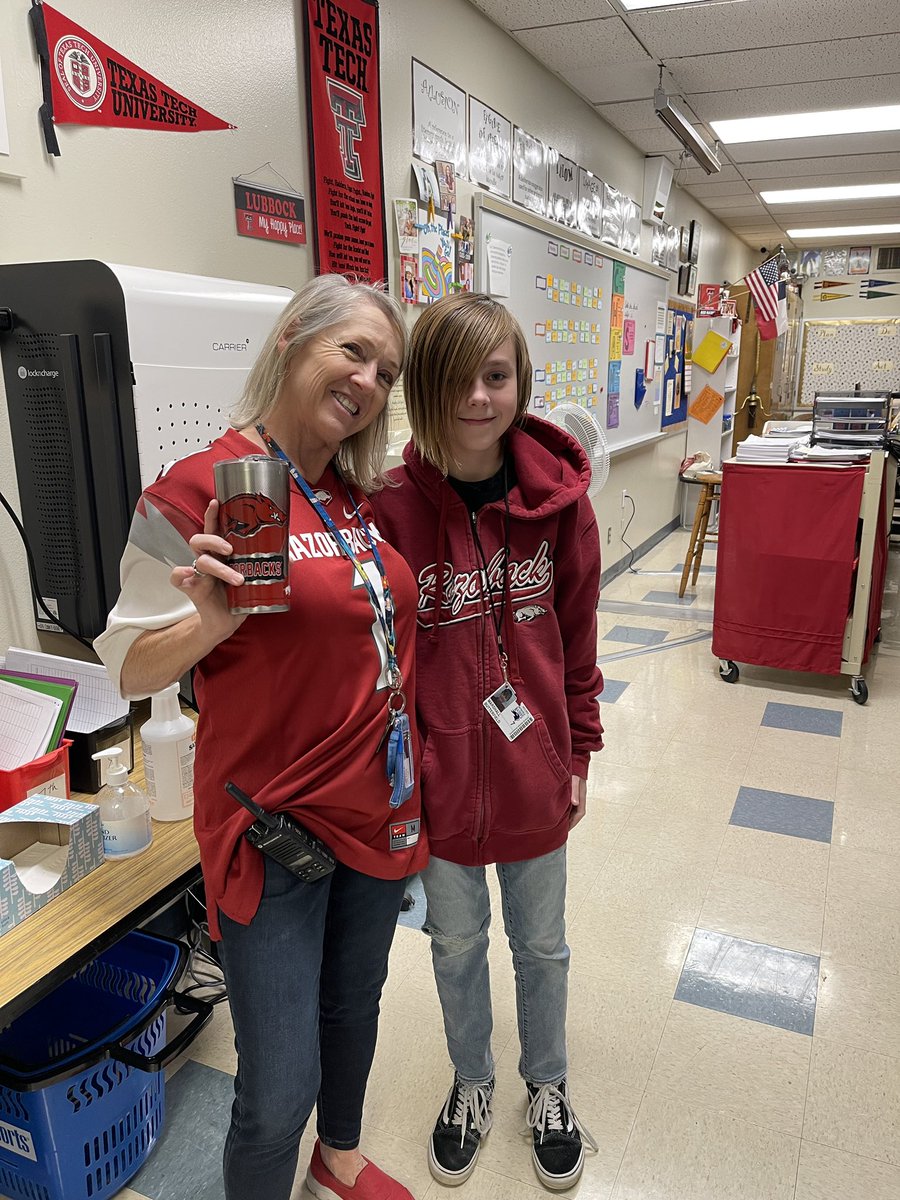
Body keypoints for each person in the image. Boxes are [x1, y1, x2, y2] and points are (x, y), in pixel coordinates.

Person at [95, 275, 427, 1200]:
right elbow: (122, 666)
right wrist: (210, 623)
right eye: (352, 351)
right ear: (291, 341)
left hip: (377, 811)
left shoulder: (359, 498)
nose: (368, 381)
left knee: (354, 1006)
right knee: (277, 1088)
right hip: (273, 835)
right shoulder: (199, 488)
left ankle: (341, 1159)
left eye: (385, 371)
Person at [370, 293, 603, 1191]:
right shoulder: (389, 510)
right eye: (458, 378)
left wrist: (576, 752)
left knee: (541, 947)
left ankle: (546, 1082)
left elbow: (579, 637)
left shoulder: (559, 506)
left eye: (497, 376)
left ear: (520, 384)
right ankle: (473, 1079)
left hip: (534, 773)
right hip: (436, 782)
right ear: (424, 387)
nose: (478, 396)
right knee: (455, 947)